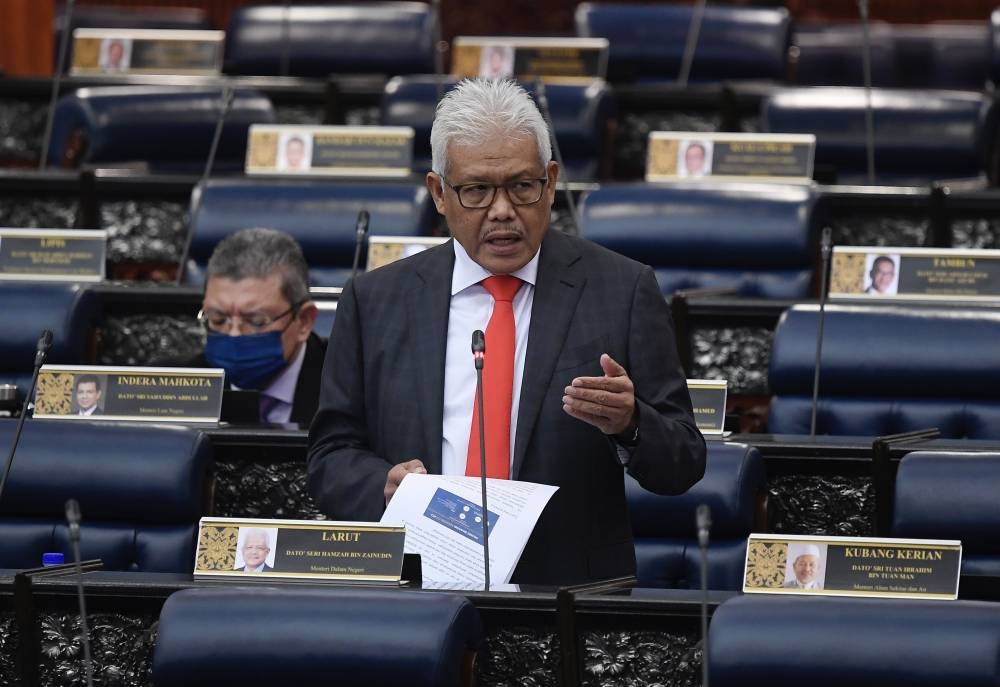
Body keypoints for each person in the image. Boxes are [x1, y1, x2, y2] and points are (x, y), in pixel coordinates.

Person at [307, 78, 706, 585]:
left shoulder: (622, 289)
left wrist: (630, 423)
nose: (502, 210)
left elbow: (684, 462)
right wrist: (382, 486)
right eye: (476, 190)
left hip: (568, 595)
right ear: (439, 194)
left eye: (522, 186)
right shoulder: (375, 300)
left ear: (552, 181)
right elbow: (331, 456)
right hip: (414, 590)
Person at [191, 228, 325, 425]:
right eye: (218, 319)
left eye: (256, 321)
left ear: (304, 320)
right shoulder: (169, 389)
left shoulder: (354, 390)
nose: (234, 334)